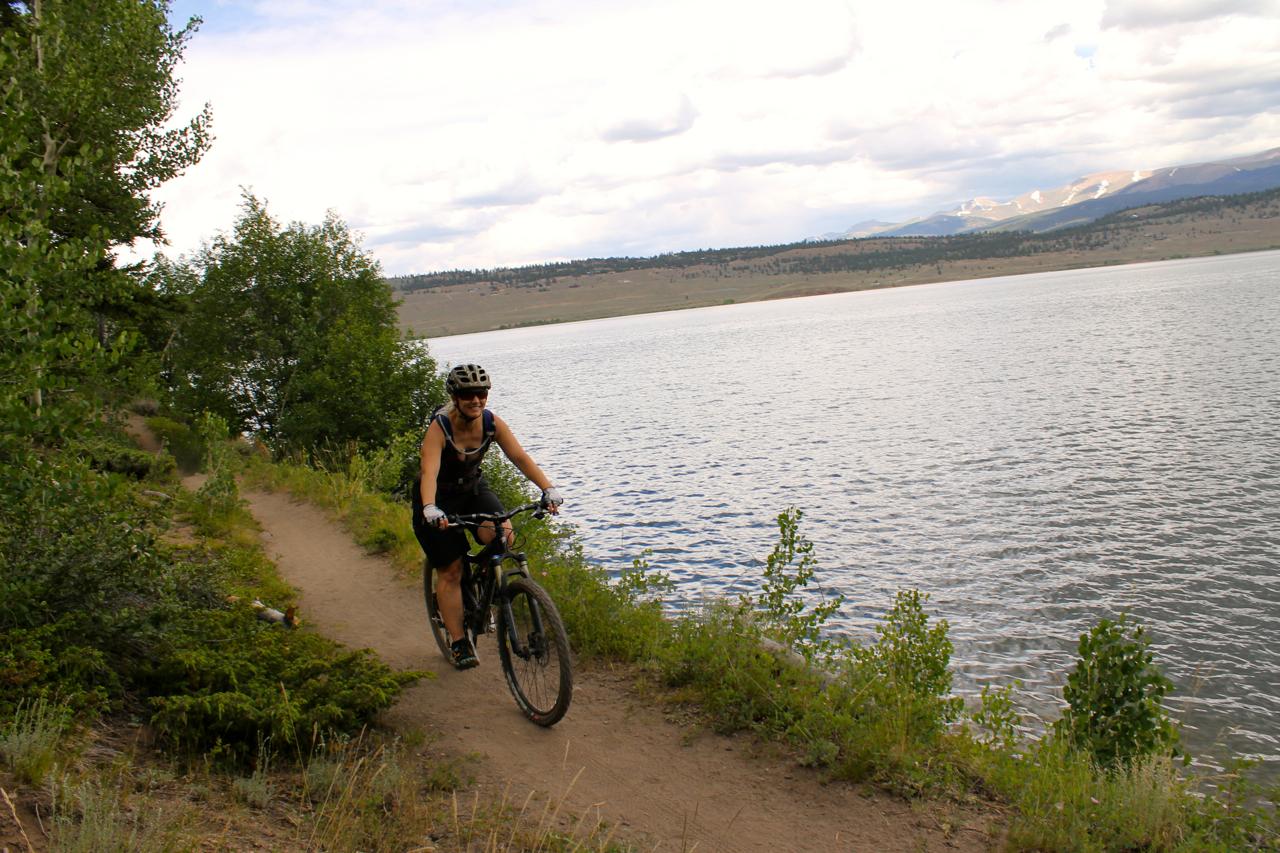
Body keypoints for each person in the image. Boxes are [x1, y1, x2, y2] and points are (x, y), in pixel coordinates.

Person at [412, 363, 563, 669]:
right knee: (451, 569)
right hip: (437, 497)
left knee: (502, 535)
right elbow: (430, 470)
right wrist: (430, 507)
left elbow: (519, 456)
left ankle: (480, 580)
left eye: (481, 393)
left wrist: (548, 488)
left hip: (471, 488)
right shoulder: (440, 426)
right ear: (455, 397)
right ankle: (458, 641)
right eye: (468, 395)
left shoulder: (492, 423)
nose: (476, 400)